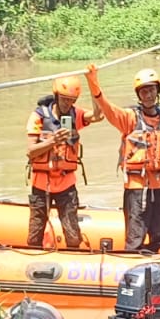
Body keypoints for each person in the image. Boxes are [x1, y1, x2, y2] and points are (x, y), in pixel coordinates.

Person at [86, 64, 160, 254]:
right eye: (144, 92)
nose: (148, 95)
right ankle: (132, 269)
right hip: (137, 189)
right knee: (135, 238)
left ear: (157, 91)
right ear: (138, 95)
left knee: (159, 236)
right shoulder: (129, 118)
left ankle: (153, 268)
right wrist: (93, 82)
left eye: (151, 90)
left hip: (158, 189)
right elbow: (107, 108)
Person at [26, 76, 100, 249]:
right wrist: (52, 141)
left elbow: (98, 115)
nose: (67, 104)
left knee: (74, 238)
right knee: (34, 237)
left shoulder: (76, 114)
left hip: (66, 185)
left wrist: (93, 83)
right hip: (41, 186)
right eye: (65, 99)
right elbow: (30, 152)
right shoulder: (38, 117)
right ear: (56, 96)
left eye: (71, 100)